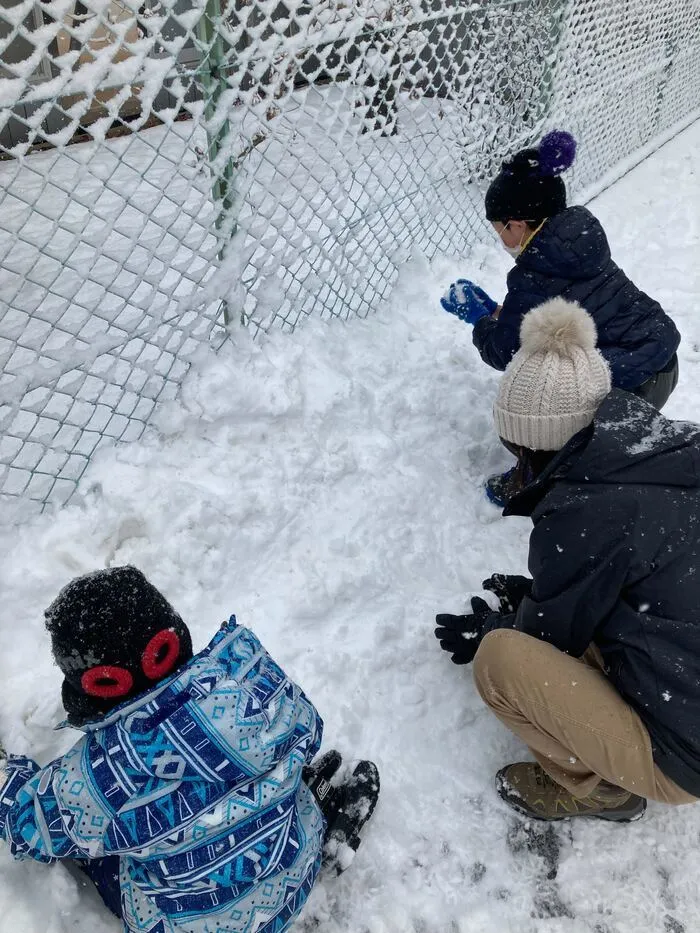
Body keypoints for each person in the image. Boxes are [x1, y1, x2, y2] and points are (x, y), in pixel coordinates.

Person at [434, 298, 699, 822]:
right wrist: (548, 590)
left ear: (538, 446)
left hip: (686, 753)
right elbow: (641, 561)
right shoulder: (665, 449)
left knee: (501, 662)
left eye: (517, 451)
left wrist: (502, 623)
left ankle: (600, 792)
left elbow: (548, 639)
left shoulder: (587, 511)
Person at [0, 567, 378, 931]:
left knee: (91, 839)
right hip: (295, 869)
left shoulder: (103, 775)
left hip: (195, 924)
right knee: (273, 781)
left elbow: (28, 825)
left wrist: (9, 780)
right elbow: (310, 729)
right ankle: (310, 818)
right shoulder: (249, 676)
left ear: (100, 685)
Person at [440, 129, 681, 505]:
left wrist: (480, 320)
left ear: (516, 224)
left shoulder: (533, 273)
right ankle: (605, 447)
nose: (501, 238)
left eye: (498, 229)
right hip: (661, 363)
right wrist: (505, 316)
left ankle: (542, 479)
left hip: (631, 384)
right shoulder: (577, 239)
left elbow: (506, 354)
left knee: (536, 406)